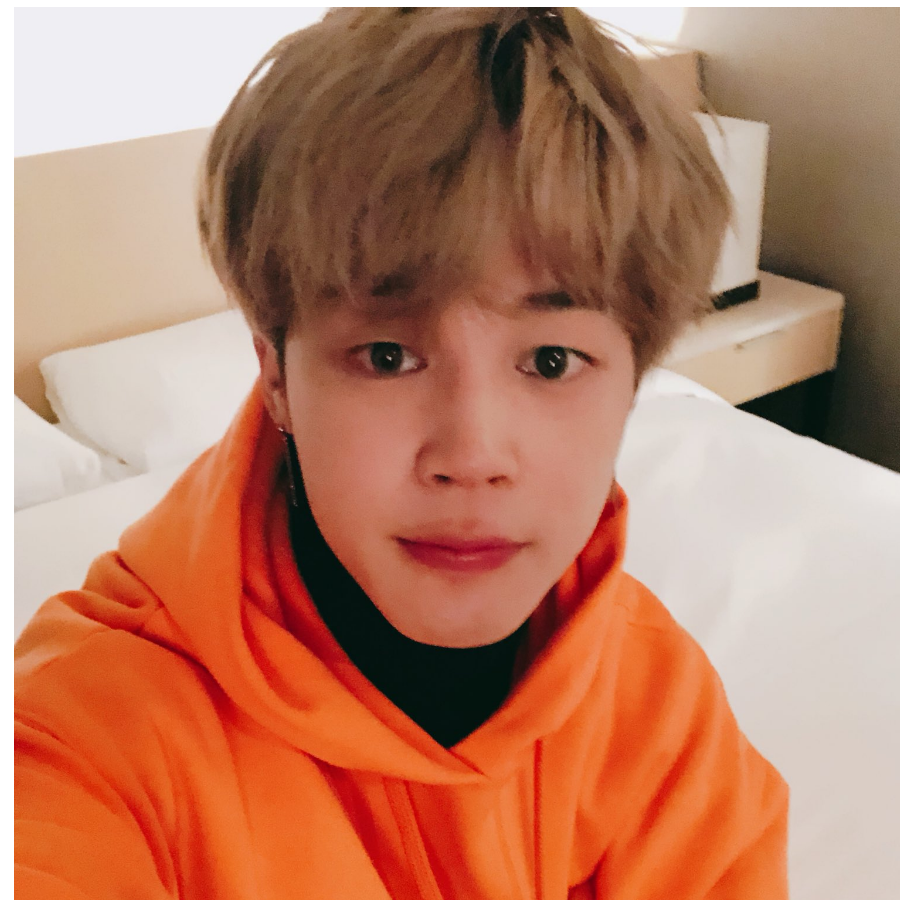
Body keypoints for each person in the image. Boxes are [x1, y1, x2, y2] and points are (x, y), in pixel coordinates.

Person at [14, 7, 788, 897]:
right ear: (276, 376)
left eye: (551, 360)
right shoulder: (89, 737)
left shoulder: (659, 706)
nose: (473, 453)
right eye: (387, 356)